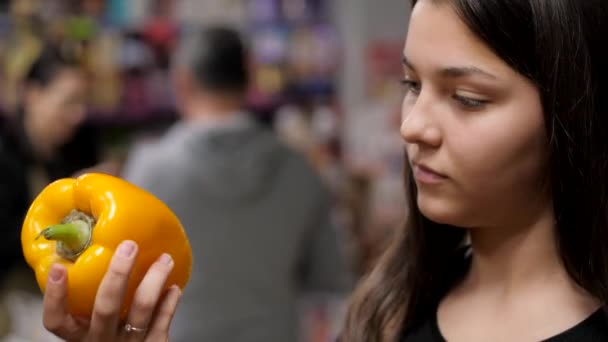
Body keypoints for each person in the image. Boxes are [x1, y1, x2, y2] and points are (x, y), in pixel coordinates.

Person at [340, 0, 608, 341]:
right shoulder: (389, 310)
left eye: (467, 98)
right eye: (412, 85)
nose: (412, 126)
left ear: (571, 112)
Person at [119, 26, 352, 341]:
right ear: (251, 78)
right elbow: (329, 279)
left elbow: (122, 285)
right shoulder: (300, 171)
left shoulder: (148, 172)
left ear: (182, 82)